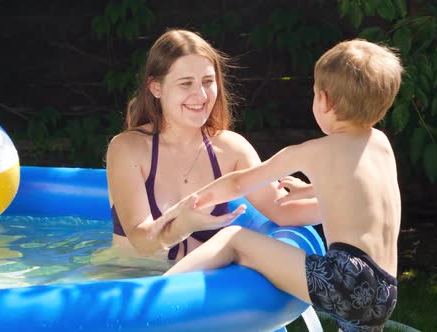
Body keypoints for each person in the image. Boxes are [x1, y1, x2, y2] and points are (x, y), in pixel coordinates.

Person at [165, 39, 403, 331]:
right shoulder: (380, 143)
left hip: (346, 279)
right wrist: (311, 190)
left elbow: (240, 183)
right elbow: (366, 192)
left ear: (324, 100)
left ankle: (157, 295)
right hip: (384, 288)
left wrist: (195, 199)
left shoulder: (315, 151)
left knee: (235, 239)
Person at [106, 29, 315, 261]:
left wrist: (347, 201)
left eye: (208, 81)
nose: (201, 95)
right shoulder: (128, 149)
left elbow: (282, 210)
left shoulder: (231, 150)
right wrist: (182, 225)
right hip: (132, 280)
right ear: (156, 88)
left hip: (206, 288)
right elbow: (141, 242)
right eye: (186, 84)